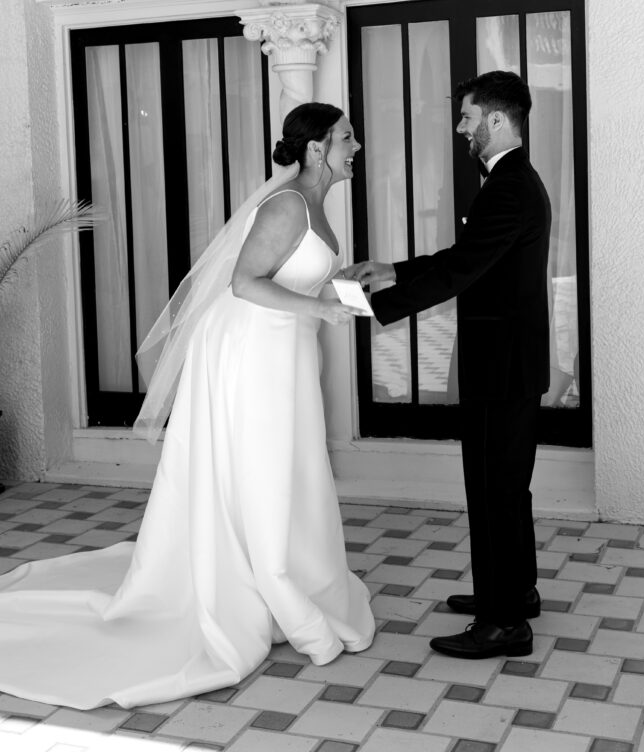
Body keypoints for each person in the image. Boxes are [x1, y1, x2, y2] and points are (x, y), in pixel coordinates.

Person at [0, 102, 375, 709]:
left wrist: (340, 283)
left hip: (288, 352)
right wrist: (322, 310)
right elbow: (245, 282)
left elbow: (291, 278)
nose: (356, 146)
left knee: (290, 467)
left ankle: (287, 569)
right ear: (315, 149)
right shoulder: (285, 205)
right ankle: (272, 587)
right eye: (347, 137)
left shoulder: (318, 203)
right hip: (252, 353)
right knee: (263, 466)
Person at [347, 71, 551, 659]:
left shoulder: (509, 185)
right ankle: (515, 593)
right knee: (508, 489)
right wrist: (393, 270)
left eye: (466, 118)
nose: (460, 128)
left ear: (494, 119)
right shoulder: (511, 180)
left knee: (494, 491)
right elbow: (463, 256)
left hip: (501, 368)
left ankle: (503, 624)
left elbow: (460, 273)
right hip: (508, 363)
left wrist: (372, 304)